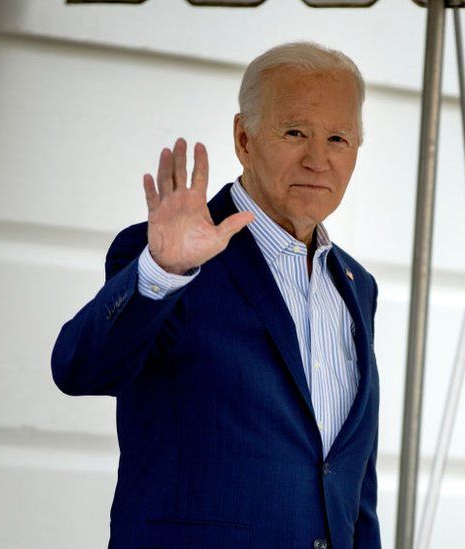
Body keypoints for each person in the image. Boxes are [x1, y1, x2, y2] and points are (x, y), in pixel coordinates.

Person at [51, 41, 380, 549]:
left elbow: (353, 487)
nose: (318, 159)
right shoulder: (170, 255)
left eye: (338, 138)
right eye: (295, 132)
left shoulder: (357, 287)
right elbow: (79, 368)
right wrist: (161, 272)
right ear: (244, 138)